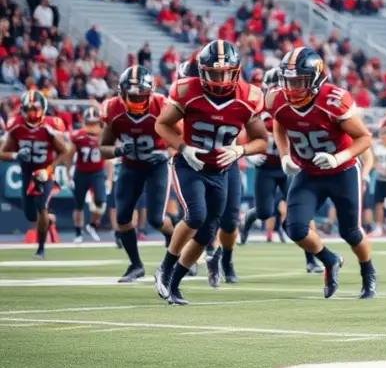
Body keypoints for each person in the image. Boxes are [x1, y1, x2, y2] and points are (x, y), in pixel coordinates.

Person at [154, 41, 268, 305]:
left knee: (207, 233)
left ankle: (174, 284)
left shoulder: (248, 96)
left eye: (226, 72)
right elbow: (162, 124)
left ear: (236, 71)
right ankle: (165, 268)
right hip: (190, 165)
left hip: (221, 169)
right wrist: (183, 148)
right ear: (201, 71)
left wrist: (241, 151)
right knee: (196, 215)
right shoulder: (188, 90)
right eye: (214, 73)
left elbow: (261, 140)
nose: (220, 79)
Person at [267, 46, 377, 299]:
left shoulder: (333, 101)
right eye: (288, 81)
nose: (292, 88)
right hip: (309, 171)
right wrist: (285, 155)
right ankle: (329, 260)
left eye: (300, 81)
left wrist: (338, 156)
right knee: (294, 228)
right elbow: (279, 123)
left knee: (350, 232)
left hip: (343, 170)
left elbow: (364, 138)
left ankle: (368, 272)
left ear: (315, 79)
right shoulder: (276, 99)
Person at [240, 68, 321, 273]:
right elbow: (239, 132)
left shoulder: (296, 106)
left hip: (290, 168)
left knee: (302, 213)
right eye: (273, 87)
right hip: (266, 168)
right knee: (264, 211)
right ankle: (249, 218)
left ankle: (311, 260)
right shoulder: (258, 107)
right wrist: (249, 155)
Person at [100, 65, 176, 280]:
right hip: (130, 165)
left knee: (156, 218)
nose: (135, 101)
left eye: (140, 96)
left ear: (150, 93)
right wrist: (117, 150)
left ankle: (176, 246)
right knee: (123, 217)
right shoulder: (113, 109)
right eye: (130, 96)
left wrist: (166, 153)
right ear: (121, 94)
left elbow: (182, 139)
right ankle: (135, 265)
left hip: (157, 166)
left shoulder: (162, 106)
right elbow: (103, 148)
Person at [0, 91, 72, 258]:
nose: (32, 113)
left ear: (43, 109)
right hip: (27, 173)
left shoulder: (49, 127)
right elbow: (2, 153)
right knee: (31, 215)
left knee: (41, 207)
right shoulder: (17, 126)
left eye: (35, 109)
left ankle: (40, 248)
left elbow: (65, 150)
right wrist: (16, 155)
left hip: (43, 173)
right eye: (28, 109)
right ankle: (49, 220)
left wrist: (48, 169)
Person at [68, 106, 106, 243]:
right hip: (81, 172)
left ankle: (92, 225)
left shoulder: (104, 135)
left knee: (101, 201)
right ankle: (78, 233)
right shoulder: (78, 136)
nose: (91, 127)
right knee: (78, 204)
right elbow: (69, 154)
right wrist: (67, 173)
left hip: (97, 172)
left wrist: (109, 178)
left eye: (94, 123)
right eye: (89, 123)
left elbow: (109, 157)